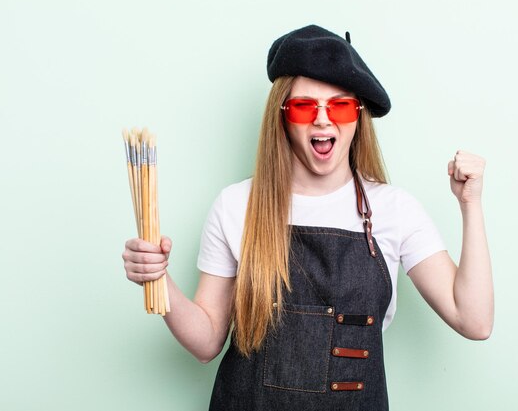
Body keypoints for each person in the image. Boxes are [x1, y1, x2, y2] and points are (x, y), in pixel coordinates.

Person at [122, 25, 493, 411]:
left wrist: (471, 203)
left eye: (340, 106)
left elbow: (474, 320)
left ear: (358, 117)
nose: (322, 120)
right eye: (304, 106)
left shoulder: (394, 210)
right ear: (282, 117)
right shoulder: (236, 205)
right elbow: (207, 342)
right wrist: (158, 280)